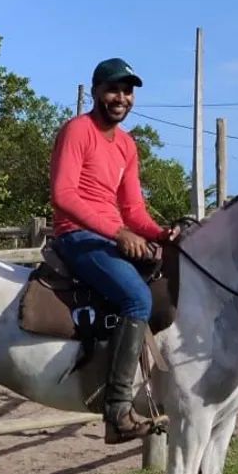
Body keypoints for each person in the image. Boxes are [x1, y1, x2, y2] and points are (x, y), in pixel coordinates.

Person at [50, 57, 179, 444]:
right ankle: (118, 410)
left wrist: (160, 233)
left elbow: (134, 209)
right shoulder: (77, 131)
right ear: (95, 92)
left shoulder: (126, 145)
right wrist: (118, 233)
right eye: (113, 89)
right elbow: (63, 195)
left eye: (127, 91)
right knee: (137, 299)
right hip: (78, 236)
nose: (120, 97)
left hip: (111, 235)